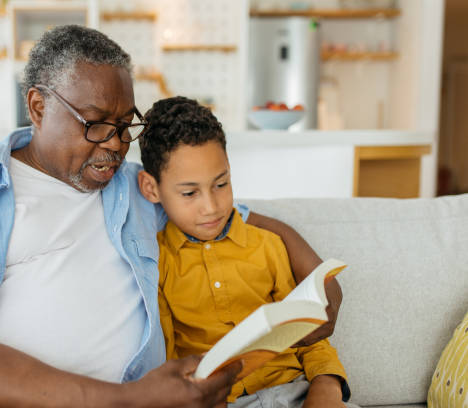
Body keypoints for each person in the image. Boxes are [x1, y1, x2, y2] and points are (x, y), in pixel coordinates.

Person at [0, 25, 342, 408]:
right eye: (96, 123)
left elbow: (229, 215)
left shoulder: (137, 187)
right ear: (38, 106)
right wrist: (128, 400)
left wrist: (319, 281)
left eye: (124, 126)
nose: (116, 144)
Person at [137, 97, 357, 408]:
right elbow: (167, 363)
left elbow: (309, 336)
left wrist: (327, 387)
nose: (211, 207)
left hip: (295, 391)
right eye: (189, 193)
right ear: (151, 188)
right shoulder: (158, 264)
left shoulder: (268, 246)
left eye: (221, 184)